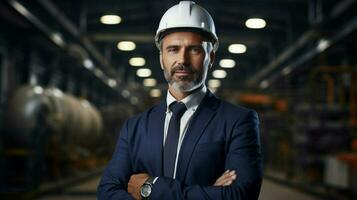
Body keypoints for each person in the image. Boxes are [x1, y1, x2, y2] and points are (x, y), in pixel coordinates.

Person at [97, 1, 263, 199]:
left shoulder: (238, 122)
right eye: (173, 49)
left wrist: (150, 188)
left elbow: (240, 195)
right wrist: (210, 193)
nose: (182, 60)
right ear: (161, 58)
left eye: (194, 49)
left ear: (211, 57)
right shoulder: (135, 127)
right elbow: (107, 193)